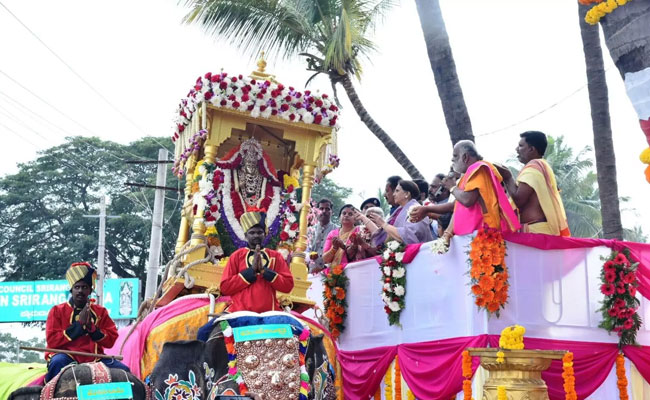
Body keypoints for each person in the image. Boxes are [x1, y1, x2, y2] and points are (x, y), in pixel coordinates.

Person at [45, 262, 129, 382]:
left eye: (84, 287)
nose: (80, 291)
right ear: (71, 290)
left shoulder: (101, 312)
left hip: (95, 358)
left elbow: (111, 339)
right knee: (57, 362)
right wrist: (79, 326)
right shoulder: (57, 311)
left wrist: (92, 328)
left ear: (90, 290)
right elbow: (52, 340)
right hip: (66, 356)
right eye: (77, 287)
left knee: (123, 371)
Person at [441, 140, 520, 242]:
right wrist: (447, 233)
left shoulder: (478, 168)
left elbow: (467, 200)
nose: (452, 159)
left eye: (455, 156)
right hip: (474, 235)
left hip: (484, 234)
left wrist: (452, 187)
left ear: (465, 157)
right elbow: (459, 208)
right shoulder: (468, 175)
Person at [497, 131, 570, 236]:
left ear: (532, 149)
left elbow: (519, 200)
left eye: (521, 145)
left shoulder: (534, 167)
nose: (516, 149)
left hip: (536, 232)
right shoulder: (543, 167)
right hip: (538, 230)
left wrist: (508, 177)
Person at [220, 211, 294, 313]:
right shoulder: (236, 256)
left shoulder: (275, 256)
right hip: (237, 313)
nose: (256, 235)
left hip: (269, 315)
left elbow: (288, 286)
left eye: (259, 232)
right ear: (246, 235)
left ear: (265, 234)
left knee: (299, 328)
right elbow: (225, 288)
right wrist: (250, 272)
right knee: (211, 328)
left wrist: (265, 272)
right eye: (252, 232)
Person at [361, 180, 434, 246]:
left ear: (407, 194)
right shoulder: (399, 210)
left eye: (397, 191)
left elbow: (409, 236)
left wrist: (383, 224)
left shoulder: (415, 209)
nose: (393, 194)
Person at [306, 199, 337, 273]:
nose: (324, 211)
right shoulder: (310, 230)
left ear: (331, 212)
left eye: (327, 209)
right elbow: (305, 249)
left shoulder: (337, 230)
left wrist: (324, 268)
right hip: (308, 272)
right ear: (317, 211)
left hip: (329, 273)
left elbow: (338, 254)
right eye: (321, 208)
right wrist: (309, 256)